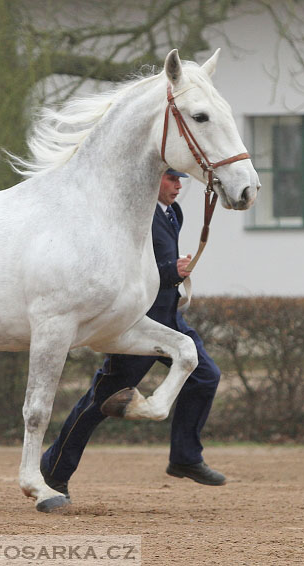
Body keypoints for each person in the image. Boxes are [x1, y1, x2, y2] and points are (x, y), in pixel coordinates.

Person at [40, 168, 225, 497]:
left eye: (180, 180)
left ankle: (185, 457)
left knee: (205, 375)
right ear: (155, 180)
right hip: (136, 324)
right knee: (99, 402)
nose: (178, 186)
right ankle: (53, 471)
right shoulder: (135, 215)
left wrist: (173, 272)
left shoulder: (172, 212)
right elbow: (129, 267)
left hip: (168, 319)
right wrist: (171, 271)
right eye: (171, 179)